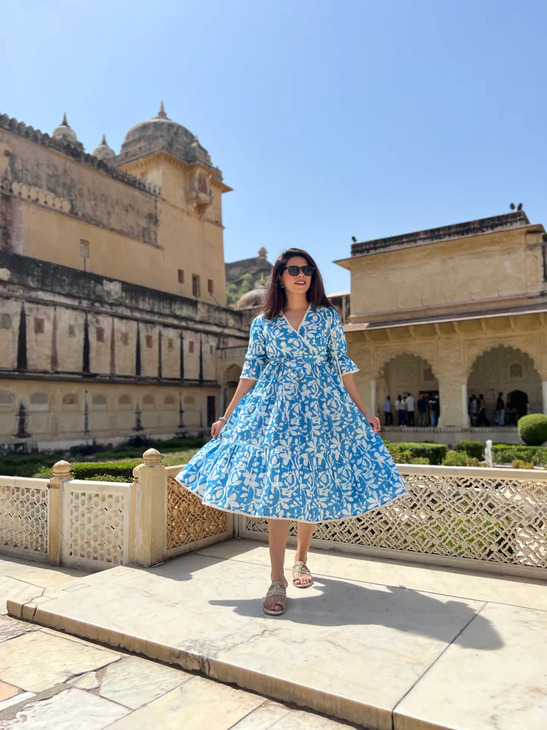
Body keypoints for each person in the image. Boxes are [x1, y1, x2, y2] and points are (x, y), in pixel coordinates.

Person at [175, 248, 408, 617]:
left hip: (320, 408)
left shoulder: (327, 317)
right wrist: (228, 414)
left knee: (310, 482)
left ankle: (301, 559)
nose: (302, 275)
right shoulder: (264, 323)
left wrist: (363, 410)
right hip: (276, 409)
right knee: (280, 488)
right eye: (294, 270)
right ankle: (276, 578)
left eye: (308, 270)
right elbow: (249, 371)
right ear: (280, 276)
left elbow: (342, 366)